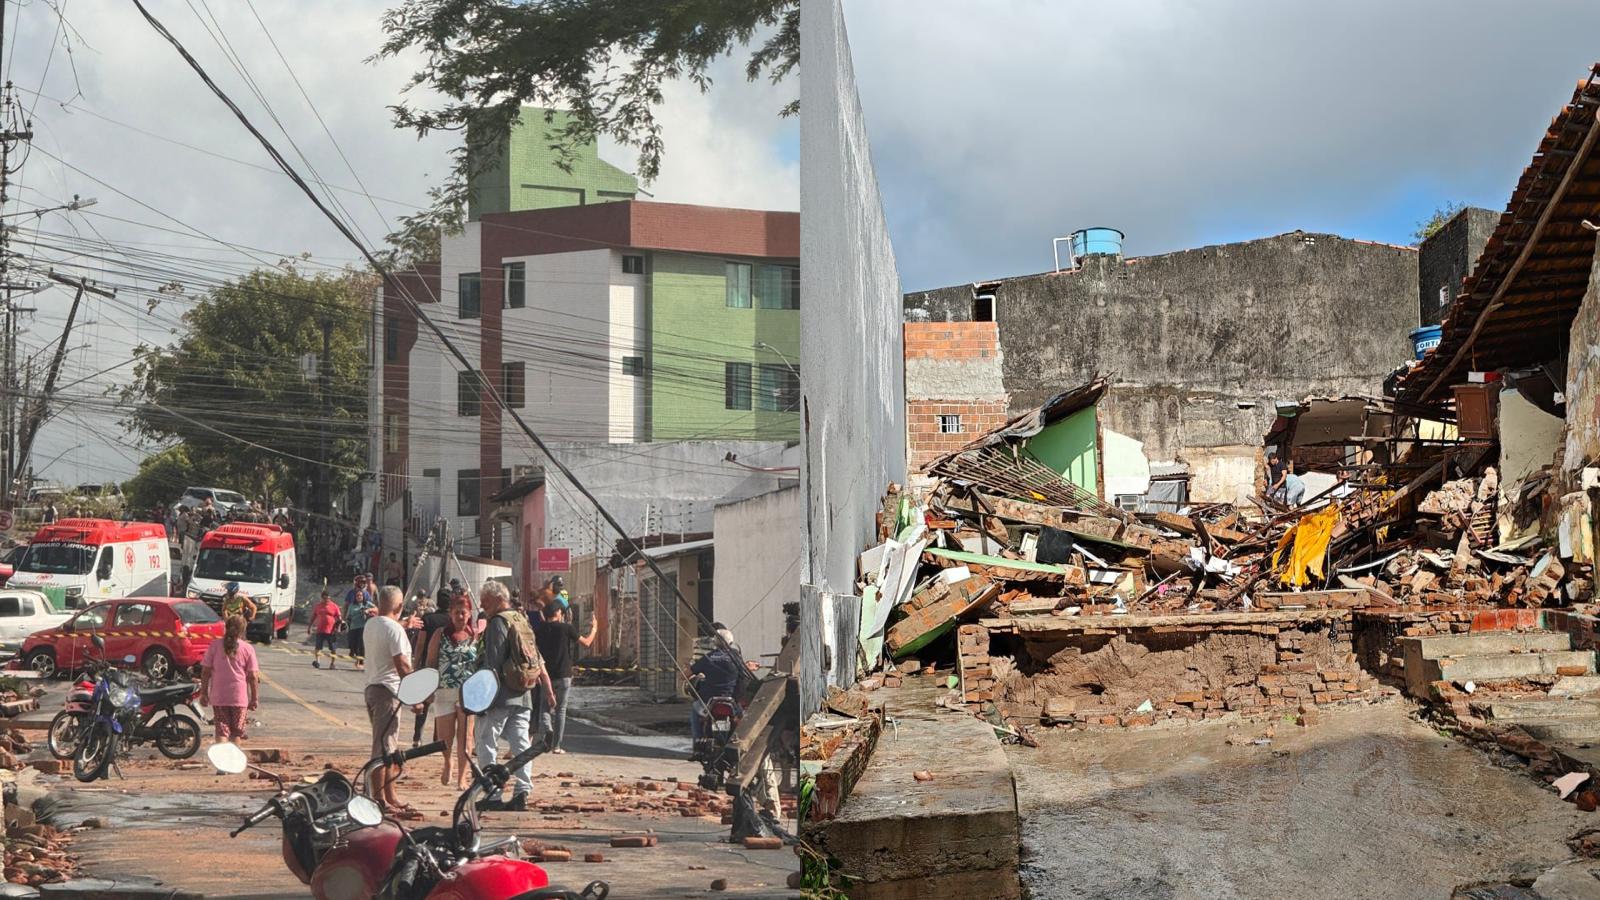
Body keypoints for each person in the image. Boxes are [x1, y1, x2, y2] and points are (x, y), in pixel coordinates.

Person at [474, 581, 556, 812]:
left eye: (485, 601)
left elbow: (492, 663)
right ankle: (522, 791)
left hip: (499, 696)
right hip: (524, 693)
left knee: (486, 742)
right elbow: (537, 657)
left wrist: (482, 699)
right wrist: (547, 688)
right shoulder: (521, 619)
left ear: (498, 599)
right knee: (521, 744)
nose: (482, 605)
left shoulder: (498, 623)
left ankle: (492, 793)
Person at [364, 586, 422, 818]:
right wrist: (415, 697)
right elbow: (403, 666)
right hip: (387, 692)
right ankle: (379, 798)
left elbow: (387, 632)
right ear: (399, 607)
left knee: (389, 746)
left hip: (373, 688)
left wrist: (403, 624)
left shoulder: (372, 625)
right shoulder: (394, 630)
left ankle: (390, 795)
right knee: (383, 748)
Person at [424, 591, 479, 788]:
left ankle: (462, 776)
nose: (460, 616)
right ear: (450, 613)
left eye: (463, 612)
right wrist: (428, 691)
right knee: (445, 738)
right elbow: (431, 662)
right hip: (444, 691)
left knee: (466, 737)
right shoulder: (440, 634)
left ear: (470, 614)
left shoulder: (476, 636)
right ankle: (448, 761)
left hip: (468, 694)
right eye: (456, 612)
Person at [535, 603, 595, 754]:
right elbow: (587, 643)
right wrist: (594, 628)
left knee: (544, 709)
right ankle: (556, 746)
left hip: (545, 675)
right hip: (564, 675)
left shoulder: (539, 630)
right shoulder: (566, 628)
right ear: (558, 612)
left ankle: (548, 730)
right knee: (560, 710)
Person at [199, 615, 258, 743]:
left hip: (219, 696)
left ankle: (221, 756)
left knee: (221, 731)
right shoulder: (248, 649)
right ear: (243, 630)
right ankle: (234, 756)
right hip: (239, 698)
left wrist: (204, 693)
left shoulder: (215, 645)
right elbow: (253, 676)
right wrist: (254, 698)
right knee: (236, 733)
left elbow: (205, 672)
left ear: (226, 627)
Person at [687, 626, 743, 744]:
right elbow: (743, 674)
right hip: (731, 699)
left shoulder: (708, 657)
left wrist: (691, 673)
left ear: (715, 642)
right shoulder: (736, 657)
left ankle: (698, 742)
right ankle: (740, 739)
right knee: (743, 717)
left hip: (709, 701)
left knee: (695, 711)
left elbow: (687, 674)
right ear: (731, 642)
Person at [344, 575, 375, 669]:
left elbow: (371, 606)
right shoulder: (351, 593)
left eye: (363, 583)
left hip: (363, 623)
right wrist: (344, 618)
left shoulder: (366, 593)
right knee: (352, 642)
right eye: (360, 582)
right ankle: (353, 653)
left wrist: (368, 611)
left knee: (361, 643)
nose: (362, 584)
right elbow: (346, 605)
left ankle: (360, 661)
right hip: (352, 621)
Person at [309, 590, 343, 669]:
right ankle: (317, 662)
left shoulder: (334, 606)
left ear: (329, 598)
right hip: (320, 630)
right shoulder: (318, 606)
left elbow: (339, 618)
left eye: (328, 598)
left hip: (331, 631)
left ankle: (332, 664)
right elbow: (313, 617)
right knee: (318, 647)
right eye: (324, 598)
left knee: (333, 648)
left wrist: (339, 627)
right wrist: (309, 627)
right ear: (322, 598)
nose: (326, 600)